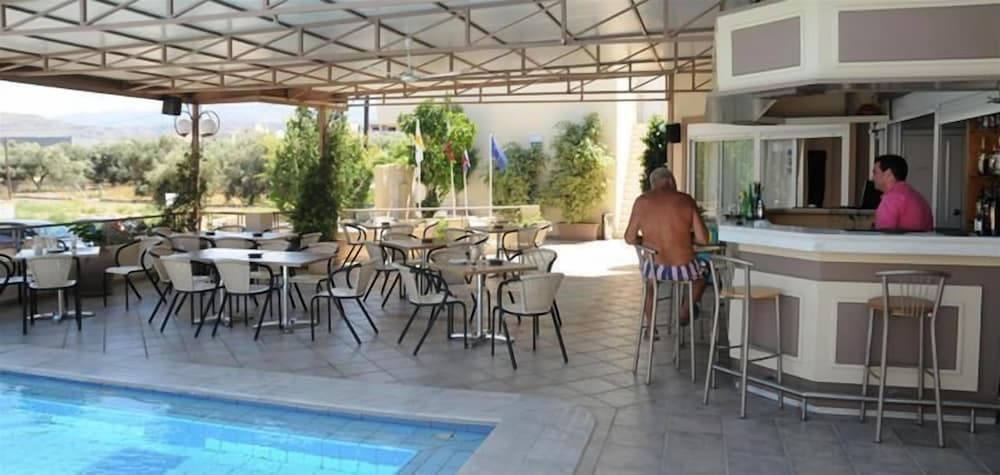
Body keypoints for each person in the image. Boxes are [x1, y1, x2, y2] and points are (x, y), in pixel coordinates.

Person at [625, 167, 709, 330]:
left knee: (650, 286)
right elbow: (703, 239)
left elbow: (629, 238)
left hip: (655, 268)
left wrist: (645, 239)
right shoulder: (686, 200)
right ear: (670, 180)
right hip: (684, 269)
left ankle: (651, 328)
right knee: (702, 276)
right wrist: (685, 237)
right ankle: (684, 312)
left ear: (653, 184)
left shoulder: (642, 201)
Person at [871, 154, 933, 232]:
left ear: (888, 174)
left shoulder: (891, 199)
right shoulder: (918, 197)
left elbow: (882, 236)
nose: (872, 178)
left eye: (875, 172)